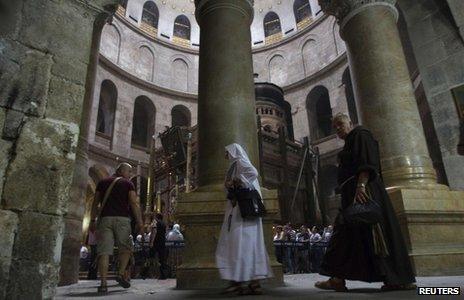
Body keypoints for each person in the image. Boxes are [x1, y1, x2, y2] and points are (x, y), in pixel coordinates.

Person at [315, 113, 416, 292]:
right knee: (347, 235)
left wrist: (361, 186)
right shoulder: (351, 141)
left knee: (372, 234)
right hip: (353, 193)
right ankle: (338, 278)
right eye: (335, 127)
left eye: (340, 124)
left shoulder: (361, 134)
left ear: (350, 123)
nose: (337, 129)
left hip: (364, 192)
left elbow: (366, 162)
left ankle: (396, 278)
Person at [216, 143, 273, 295]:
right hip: (242, 212)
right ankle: (254, 282)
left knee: (239, 243)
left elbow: (252, 173)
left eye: (227, 152)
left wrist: (237, 181)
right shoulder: (235, 165)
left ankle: (238, 282)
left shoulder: (239, 162)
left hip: (242, 212)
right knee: (249, 245)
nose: (226, 155)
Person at [90, 162, 143, 293]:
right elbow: (133, 203)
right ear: (122, 171)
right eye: (129, 172)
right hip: (122, 220)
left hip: (105, 220)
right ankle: (120, 273)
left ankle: (103, 284)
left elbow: (95, 202)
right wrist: (140, 222)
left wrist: (92, 220)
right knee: (126, 248)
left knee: (104, 252)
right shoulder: (128, 183)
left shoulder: (102, 182)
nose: (130, 175)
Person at [149, 213, 168, 279]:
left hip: (156, 242)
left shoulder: (155, 222)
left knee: (151, 258)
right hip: (162, 242)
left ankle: (149, 273)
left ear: (157, 217)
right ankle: (163, 275)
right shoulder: (164, 224)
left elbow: (154, 232)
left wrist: (151, 242)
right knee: (162, 259)